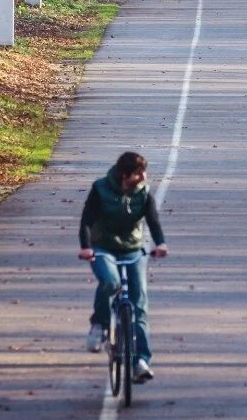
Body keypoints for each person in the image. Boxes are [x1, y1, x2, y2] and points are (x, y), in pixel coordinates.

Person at [79, 152, 169, 383]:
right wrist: (87, 247)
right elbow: (87, 221)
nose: (143, 176)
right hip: (103, 249)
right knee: (111, 282)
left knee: (138, 307)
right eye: (138, 173)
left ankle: (141, 361)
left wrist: (160, 243)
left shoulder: (143, 192)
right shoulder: (100, 189)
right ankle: (99, 325)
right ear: (123, 174)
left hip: (132, 249)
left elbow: (153, 220)